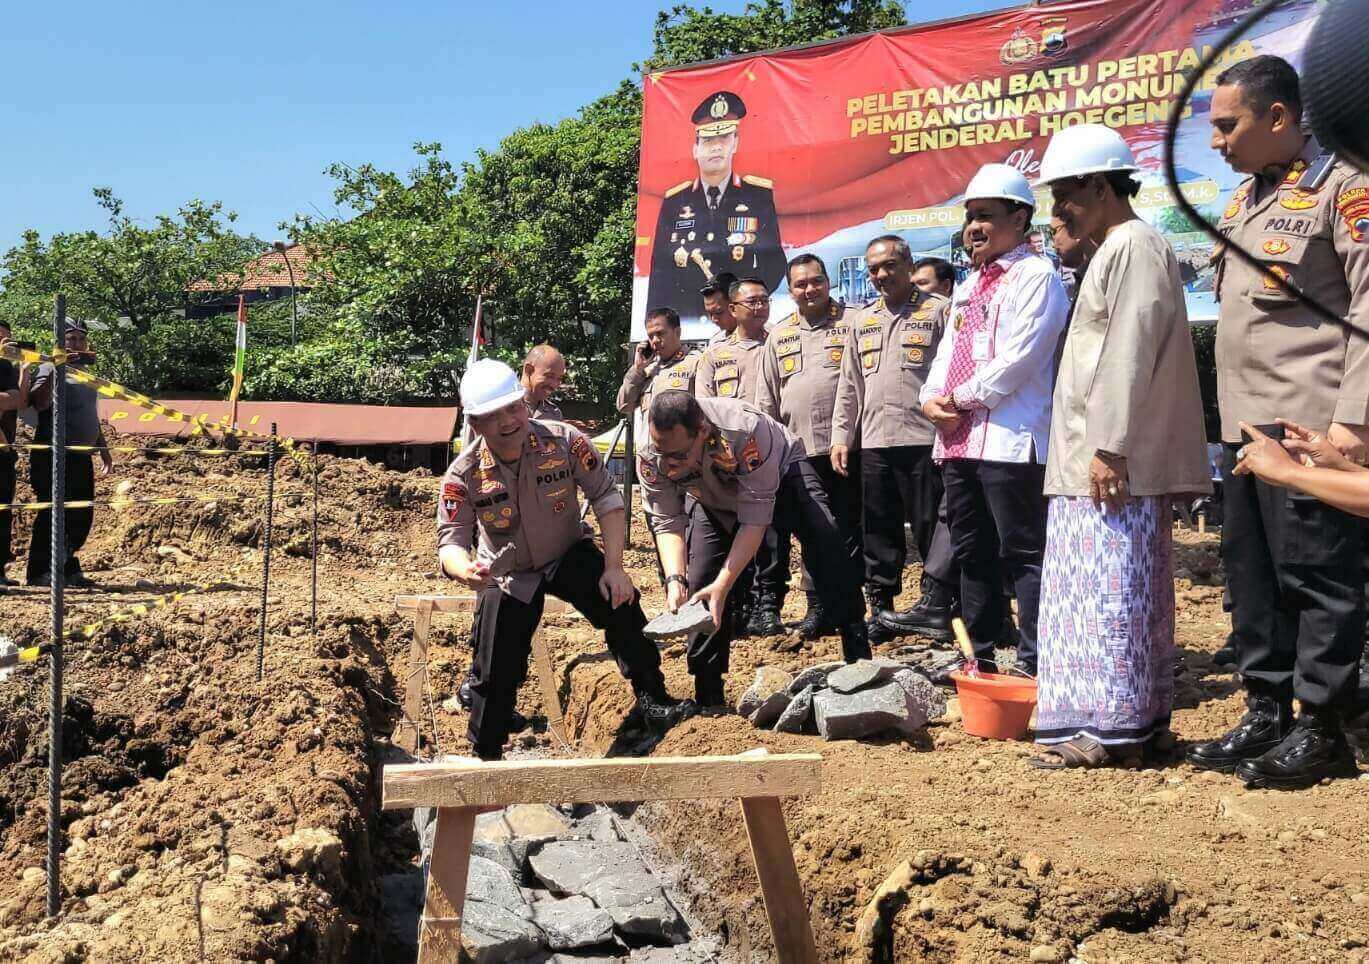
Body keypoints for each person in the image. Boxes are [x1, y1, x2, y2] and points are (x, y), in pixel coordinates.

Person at [1185, 55, 1369, 789]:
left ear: (1278, 118)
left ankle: (1323, 726)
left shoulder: (1345, 189)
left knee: (1318, 575)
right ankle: (1267, 711)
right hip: (1243, 429)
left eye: (1227, 125)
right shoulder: (1242, 203)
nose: (1217, 141)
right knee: (1252, 576)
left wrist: (1352, 420)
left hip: (1308, 427)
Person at [1031, 124, 1210, 768]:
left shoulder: (1131, 245)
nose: (1058, 213)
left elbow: (1128, 352)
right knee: (1122, 590)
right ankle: (1135, 721)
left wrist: (1109, 445)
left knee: (1106, 594)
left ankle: (1103, 729)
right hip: (1095, 458)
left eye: (1065, 197)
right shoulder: (1122, 247)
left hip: (1105, 462)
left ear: (1100, 186)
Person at [438, 359, 690, 760]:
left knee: (621, 606)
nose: (508, 421)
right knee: (494, 665)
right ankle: (486, 755)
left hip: (566, 553)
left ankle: (652, 700)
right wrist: (464, 570)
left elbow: (607, 498)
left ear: (524, 402)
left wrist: (614, 568)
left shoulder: (564, 440)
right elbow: (450, 541)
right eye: (493, 416)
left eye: (513, 408)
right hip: (509, 574)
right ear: (475, 422)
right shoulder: (463, 474)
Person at [918, 164, 1070, 675]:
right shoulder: (968, 286)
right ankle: (978, 658)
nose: (973, 228)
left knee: (1023, 551)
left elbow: (1019, 359)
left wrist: (955, 399)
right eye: (969, 218)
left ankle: (1035, 661)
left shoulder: (1038, 277)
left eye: (985, 216)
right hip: (959, 441)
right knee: (971, 551)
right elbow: (947, 352)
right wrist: (929, 398)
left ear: (1020, 217)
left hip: (1010, 441)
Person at [637, 391, 867, 706]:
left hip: (784, 475)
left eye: (676, 455)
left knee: (825, 540)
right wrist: (676, 579)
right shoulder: (652, 450)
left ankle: (859, 658)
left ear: (702, 431)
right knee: (702, 580)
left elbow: (755, 522)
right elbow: (666, 522)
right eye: (661, 451)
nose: (667, 463)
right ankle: (708, 694)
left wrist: (725, 582)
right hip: (711, 496)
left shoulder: (746, 430)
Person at [830, 236, 949, 644]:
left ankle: (939, 605)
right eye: (874, 269)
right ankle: (881, 609)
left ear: (909, 265)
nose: (881, 275)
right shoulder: (862, 322)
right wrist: (842, 436)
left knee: (931, 526)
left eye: (890, 266)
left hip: (925, 440)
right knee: (878, 530)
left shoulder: (938, 312)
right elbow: (849, 386)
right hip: (875, 440)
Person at [756, 254, 862, 640]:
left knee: (849, 531)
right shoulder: (779, 336)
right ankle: (819, 607)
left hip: (847, 449)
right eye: (800, 284)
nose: (809, 289)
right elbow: (765, 403)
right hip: (798, 455)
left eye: (816, 281)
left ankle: (854, 609)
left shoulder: (854, 323)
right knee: (813, 535)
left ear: (829, 282)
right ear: (791, 290)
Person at [646, 91, 786, 323]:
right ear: (695, 148)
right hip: (688, 324)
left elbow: (774, 263)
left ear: (735, 143)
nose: (716, 147)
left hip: (741, 321)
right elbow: (659, 275)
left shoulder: (758, 196)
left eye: (724, 138)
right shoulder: (675, 201)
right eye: (709, 140)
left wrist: (745, 305)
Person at [696, 277, 785, 635]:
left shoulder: (779, 343)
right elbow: (701, 405)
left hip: (769, 457)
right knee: (735, 532)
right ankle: (740, 603)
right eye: (753, 301)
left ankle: (769, 605)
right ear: (735, 308)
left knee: (772, 532)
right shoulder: (714, 355)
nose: (760, 306)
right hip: (726, 460)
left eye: (765, 300)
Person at [26, 320, 113, 587]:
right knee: (53, 512)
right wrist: (57, 368)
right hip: (54, 452)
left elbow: (89, 414)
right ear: (60, 344)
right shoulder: (47, 367)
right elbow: (39, 402)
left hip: (80, 453)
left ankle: (67, 565)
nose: (76, 344)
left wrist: (102, 447)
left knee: (81, 513)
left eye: (80, 339)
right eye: (71, 339)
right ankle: (40, 571)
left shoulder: (86, 375)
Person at [616, 307, 700, 427]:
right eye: (650, 336)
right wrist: (637, 370)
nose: (655, 340)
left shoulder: (695, 363)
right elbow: (624, 406)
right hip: (647, 445)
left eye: (660, 333)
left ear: (677, 332)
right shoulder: (647, 370)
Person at [0, 320, 28, 589]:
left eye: (7, 339)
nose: (4, 344)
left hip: (5, 450)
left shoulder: (6, 367)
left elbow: (16, 400)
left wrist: (25, 369)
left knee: (3, 509)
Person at [521, 344, 566, 420]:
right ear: (529, 370)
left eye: (559, 378)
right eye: (550, 376)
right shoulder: (503, 408)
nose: (554, 385)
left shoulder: (554, 414)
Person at [701, 271, 739, 346]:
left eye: (719, 312)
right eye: (709, 313)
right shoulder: (715, 342)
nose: (713, 319)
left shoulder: (766, 338)